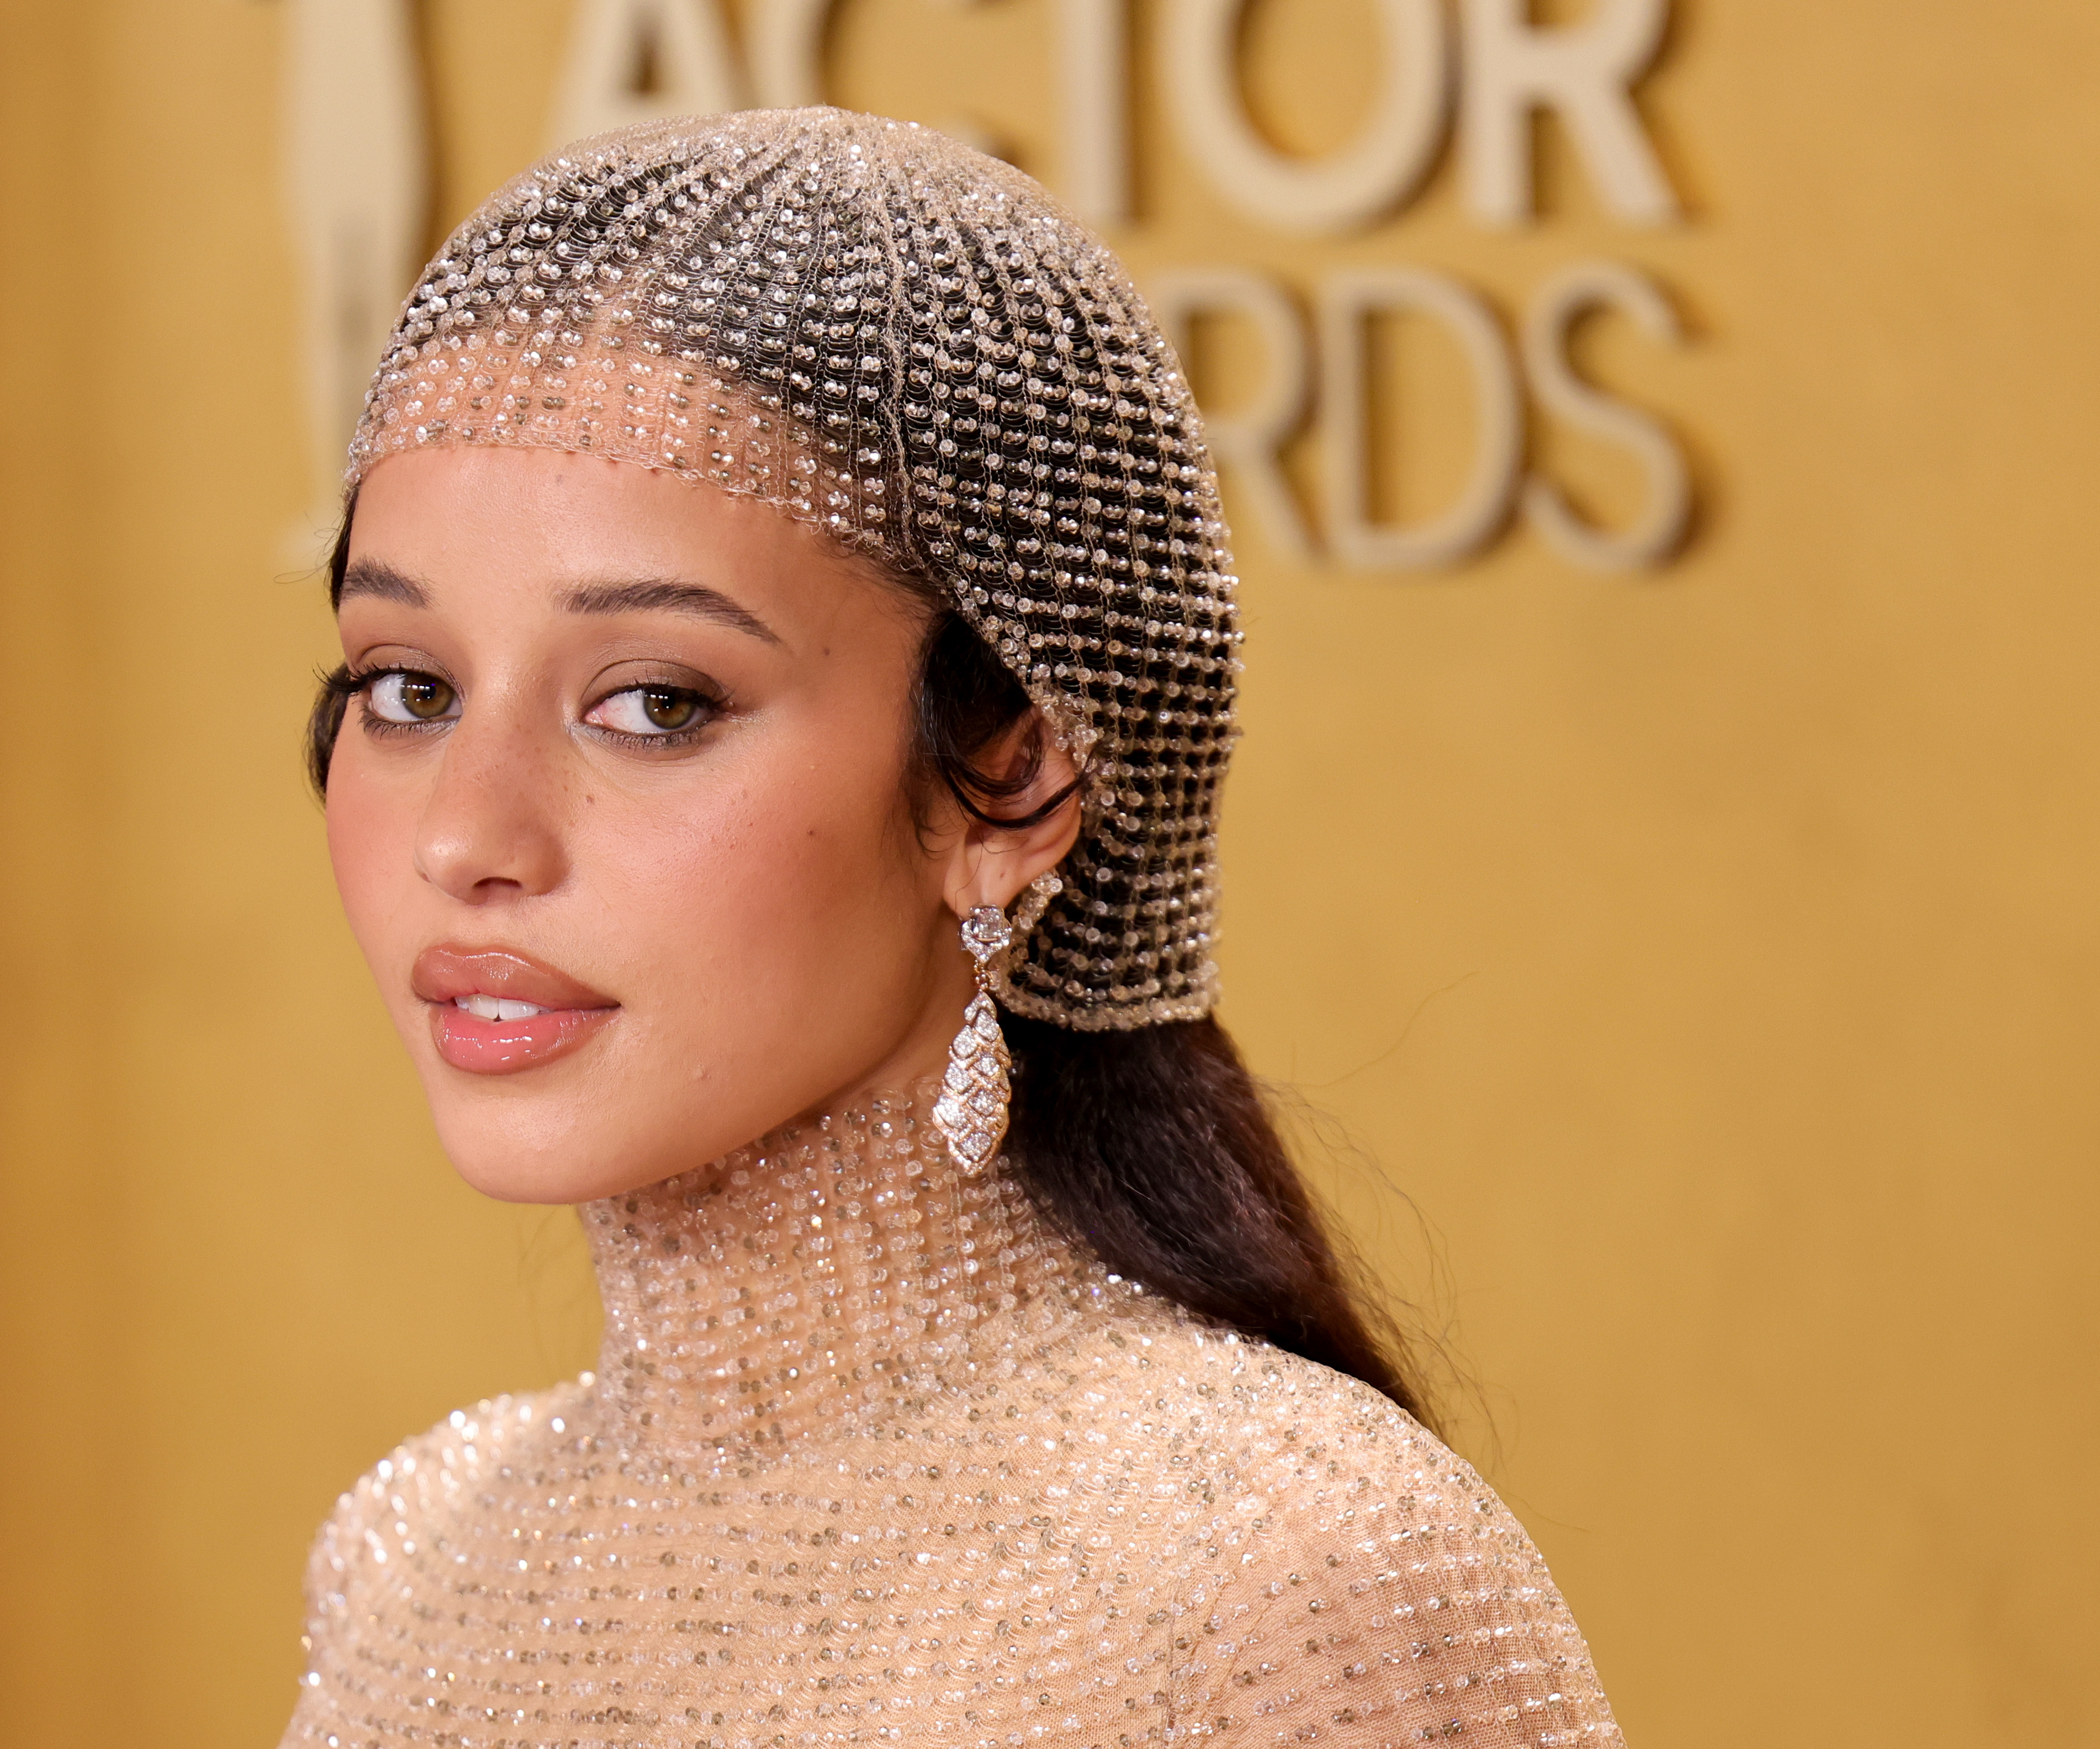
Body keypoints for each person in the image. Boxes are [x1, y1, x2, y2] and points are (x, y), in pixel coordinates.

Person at [284, 107, 1621, 1747]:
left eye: (651, 703)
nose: (467, 837)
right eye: (407, 689)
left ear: (1015, 779)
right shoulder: (411, 1555)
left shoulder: (1279, 1573)